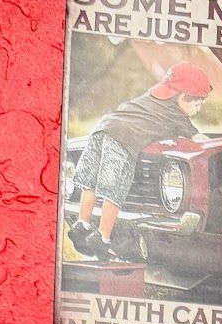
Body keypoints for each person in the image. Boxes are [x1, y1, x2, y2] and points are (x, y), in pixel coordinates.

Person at [68, 61, 211, 262]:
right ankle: (102, 237)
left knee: (90, 182)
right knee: (113, 191)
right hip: (123, 140)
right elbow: (200, 140)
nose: (199, 108)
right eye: (198, 103)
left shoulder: (149, 98)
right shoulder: (177, 115)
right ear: (182, 97)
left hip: (102, 129)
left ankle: (82, 224)